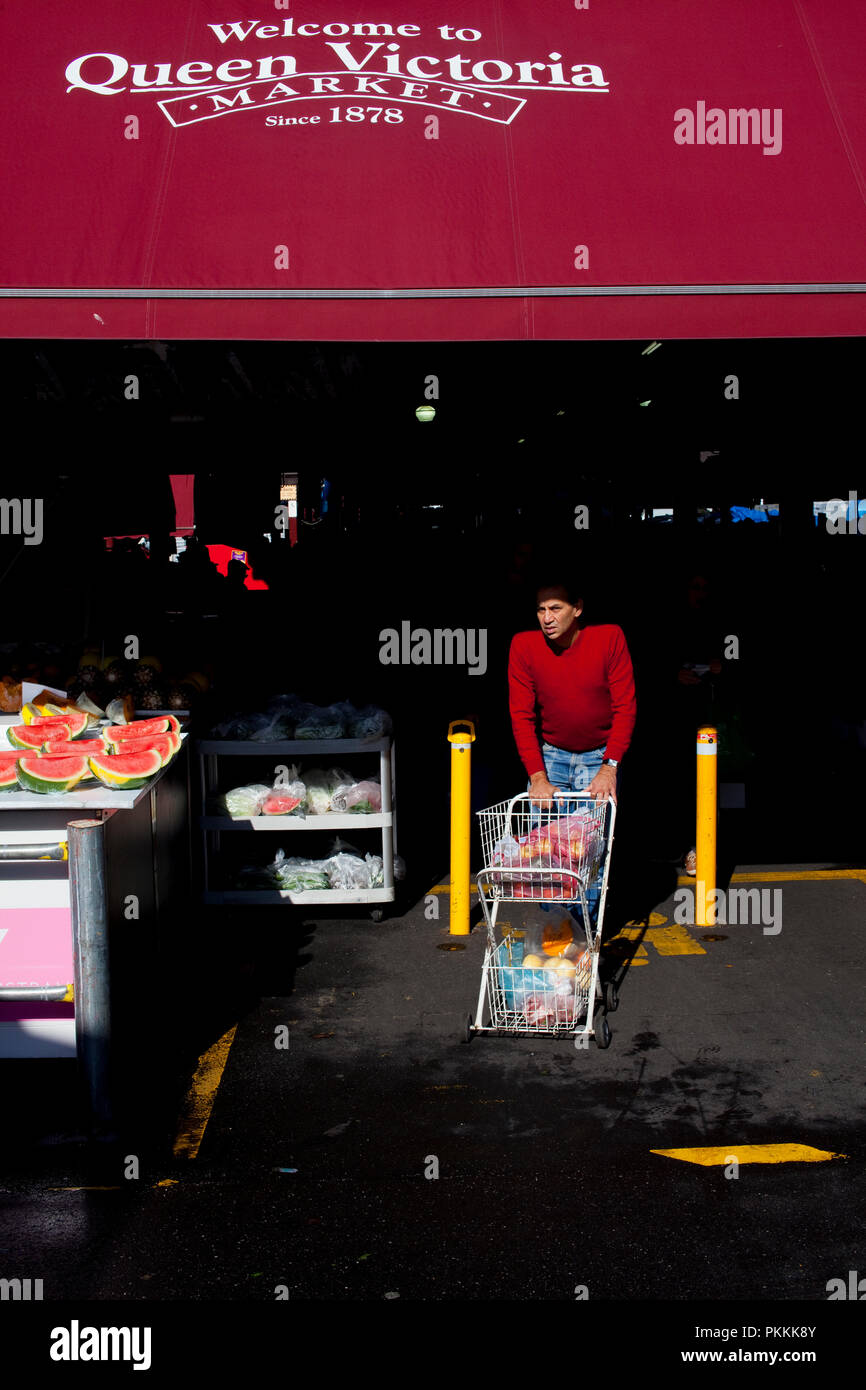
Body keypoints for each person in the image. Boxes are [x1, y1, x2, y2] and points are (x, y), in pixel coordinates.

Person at [508, 577, 637, 927]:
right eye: (540, 609)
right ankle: (558, 936)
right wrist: (537, 775)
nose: (547, 617)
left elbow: (625, 705)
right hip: (551, 755)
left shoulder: (609, 637)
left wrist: (610, 766)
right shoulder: (524, 645)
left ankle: (583, 939)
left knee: (589, 855)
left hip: (599, 756)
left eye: (556, 608)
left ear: (577, 609)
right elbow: (521, 714)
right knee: (546, 856)